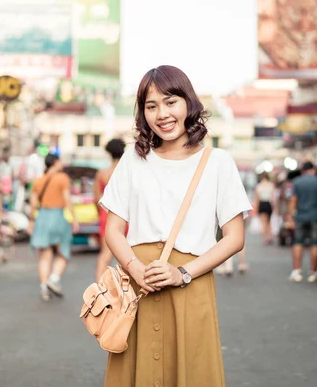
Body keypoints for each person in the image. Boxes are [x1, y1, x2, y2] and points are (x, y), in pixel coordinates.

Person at [99, 65, 252, 387]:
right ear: (142, 113)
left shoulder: (218, 162)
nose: (162, 114)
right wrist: (135, 268)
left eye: (170, 102)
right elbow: (113, 229)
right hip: (139, 282)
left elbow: (234, 237)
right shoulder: (133, 159)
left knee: (192, 371)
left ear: (188, 104)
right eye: (151, 106)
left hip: (190, 282)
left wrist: (182, 273)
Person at [28, 154, 79, 301]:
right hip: (57, 216)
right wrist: (74, 219)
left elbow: (32, 204)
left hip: (42, 217)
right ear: (55, 163)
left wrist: (32, 221)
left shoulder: (38, 181)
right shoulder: (62, 178)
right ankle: (54, 278)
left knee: (45, 255)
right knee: (63, 252)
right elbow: (67, 199)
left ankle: (44, 288)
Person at [93, 138, 127, 281]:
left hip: (106, 215)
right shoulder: (127, 172)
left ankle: (99, 288)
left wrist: (99, 214)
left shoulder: (102, 173)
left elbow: (96, 199)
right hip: (127, 215)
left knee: (105, 254)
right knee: (128, 254)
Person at [286, 161, 317, 282]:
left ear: (303, 171)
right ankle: (313, 272)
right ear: (313, 169)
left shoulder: (297, 182)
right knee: (315, 243)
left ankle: (297, 271)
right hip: (315, 216)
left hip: (300, 216)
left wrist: (290, 217)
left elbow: (293, 200)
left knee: (297, 242)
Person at [253, 172, 275, 244]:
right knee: (269, 222)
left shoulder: (258, 186)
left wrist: (256, 208)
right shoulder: (271, 185)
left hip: (262, 204)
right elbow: (273, 198)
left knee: (263, 223)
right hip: (268, 204)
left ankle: (265, 238)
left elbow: (257, 199)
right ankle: (270, 237)